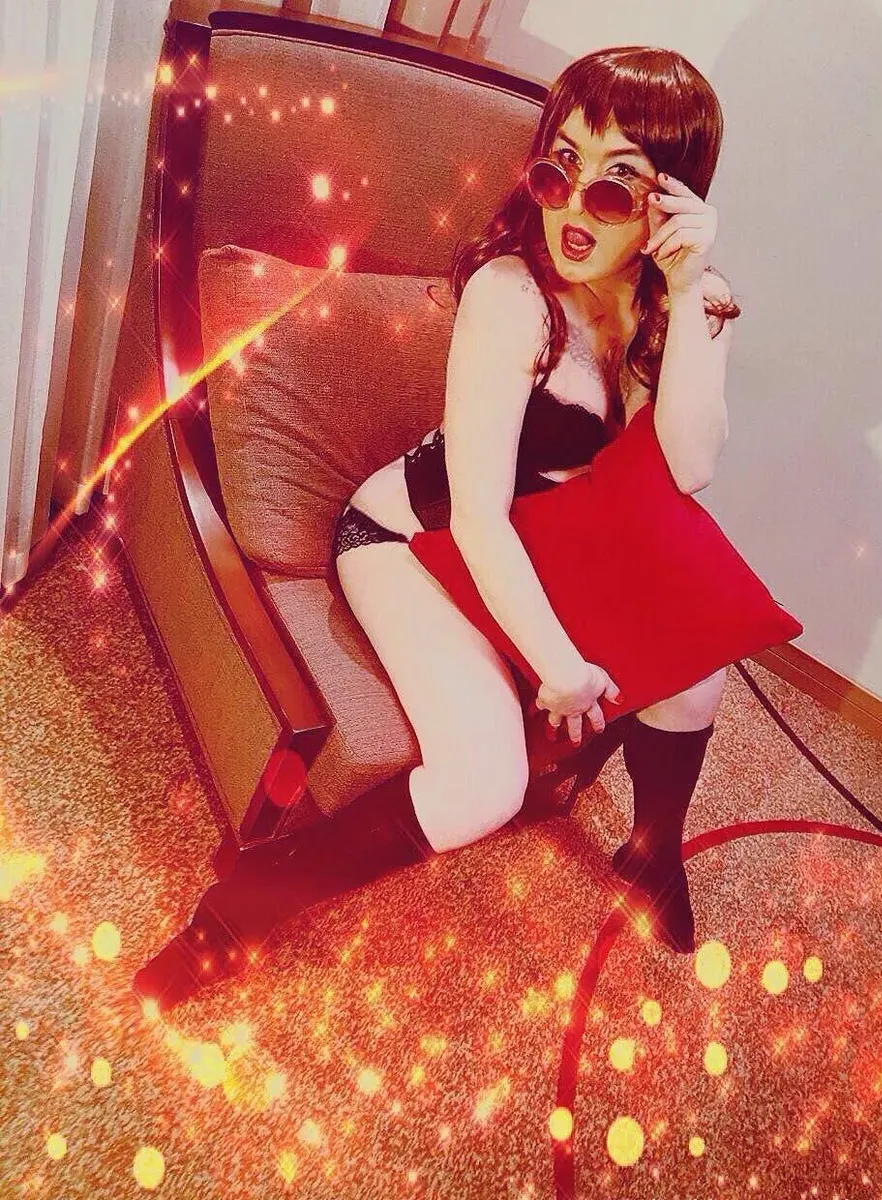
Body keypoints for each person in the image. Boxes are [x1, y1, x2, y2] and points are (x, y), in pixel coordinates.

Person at [130, 45, 741, 1014]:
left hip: (546, 542)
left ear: (669, 201)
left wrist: (689, 286)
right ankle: (241, 907)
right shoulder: (512, 294)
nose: (573, 210)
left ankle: (650, 851)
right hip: (414, 542)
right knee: (483, 783)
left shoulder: (682, 301)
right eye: (558, 170)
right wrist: (557, 664)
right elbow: (481, 516)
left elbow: (689, 465)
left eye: (613, 188)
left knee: (698, 672)